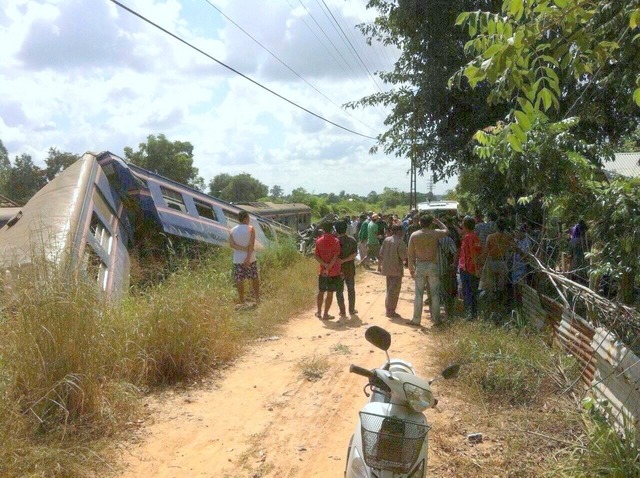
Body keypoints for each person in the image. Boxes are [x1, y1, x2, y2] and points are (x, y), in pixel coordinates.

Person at [407, 215, 449, 326]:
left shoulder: (414, 235)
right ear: (431, 223)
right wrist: (438, 221)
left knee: (418, 294)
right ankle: (436, 320)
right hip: (432, 265)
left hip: (420, 265)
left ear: (420, 223)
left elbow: (410, 254)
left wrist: (411, 269)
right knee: (435, 294)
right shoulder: (435, 233)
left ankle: (416, 319)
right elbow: (446, 230)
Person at [229, 210, 260, 305]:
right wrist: (248, 258)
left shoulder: (232, 230)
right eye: (248, 218)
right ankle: (257, 299)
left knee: (239, 279)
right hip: (251, 259)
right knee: (254, 278)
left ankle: (242, 301)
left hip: (237, 259)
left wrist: (242, 249)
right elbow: (251, 245)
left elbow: (232, 245)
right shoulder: (251, 229)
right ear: (246, 218)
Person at [314, 221, 341, 320]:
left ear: (323, 229)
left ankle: (319, 312)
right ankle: (326, 314)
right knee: (330, 293)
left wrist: (325, 266)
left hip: (322, 271)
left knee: (321, 292)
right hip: (333, 272)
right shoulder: (336, 241)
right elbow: (336, 256)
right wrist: (329, 267)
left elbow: (316, 256)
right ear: (332, 229)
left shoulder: (318, 241)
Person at [378, 224, 407, 318]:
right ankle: (390, 311)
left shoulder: (386, 240)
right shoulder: (400, 242)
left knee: (389, 289)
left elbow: (381, 253)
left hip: (387, 268)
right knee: (394, 291)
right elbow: (403, 257)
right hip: (396, 269)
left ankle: (388, 309)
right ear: (399, 231)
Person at [482, 218, 511, 302]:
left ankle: (492, 303)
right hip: (502, 262)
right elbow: (512, 247)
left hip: (492, 262)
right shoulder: (508, 237)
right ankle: (501, 302)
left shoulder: (490, 237)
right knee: (501, 286)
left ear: (496, 226)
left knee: (490, 285)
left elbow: (486, 251)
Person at [459, 216, 482, 320]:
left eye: (463, 223)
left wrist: (476, 269)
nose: (461, 224)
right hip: (469, 268)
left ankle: (471, 314)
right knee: (471, 292)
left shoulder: (468, 237)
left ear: (465, 225)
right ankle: (473, 313)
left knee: (469, 292)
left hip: (468, 269)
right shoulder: (474, 236)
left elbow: (473, 253)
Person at [335, 220, 358, 318]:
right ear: (346, 228)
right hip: (349, 268)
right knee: (351, 289)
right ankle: (351, 310)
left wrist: (340, 261)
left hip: (338, 270)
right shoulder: (352, 240)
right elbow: (354, 254)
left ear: (336, 230)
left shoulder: (335, 241)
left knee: (339, 290)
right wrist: (345, 260)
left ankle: (342, 311)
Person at [437, 220, 458, 321]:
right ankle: (448, 314)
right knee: (445, 292)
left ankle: (435, 316)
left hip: (432, 269)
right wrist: (454, 264)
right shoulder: (448, 240)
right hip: (444, 269)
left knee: (433, 293)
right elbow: (455, 252)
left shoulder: (431, 238)